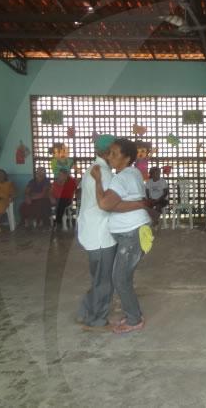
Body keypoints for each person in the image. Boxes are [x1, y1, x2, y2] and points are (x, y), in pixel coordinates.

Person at [77, 135, 147, 331]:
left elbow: (109, 202)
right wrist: (139, 204)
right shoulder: (105, 173)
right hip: (101, 235)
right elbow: (107, 205)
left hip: (98, 233)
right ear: (104, 152)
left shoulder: (100, 171)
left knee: (103, 277)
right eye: (111, 151)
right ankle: (96, 319)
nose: (111, 155)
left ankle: (87, 312)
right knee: (105, 280)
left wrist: (139, 205)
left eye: (115, 152)